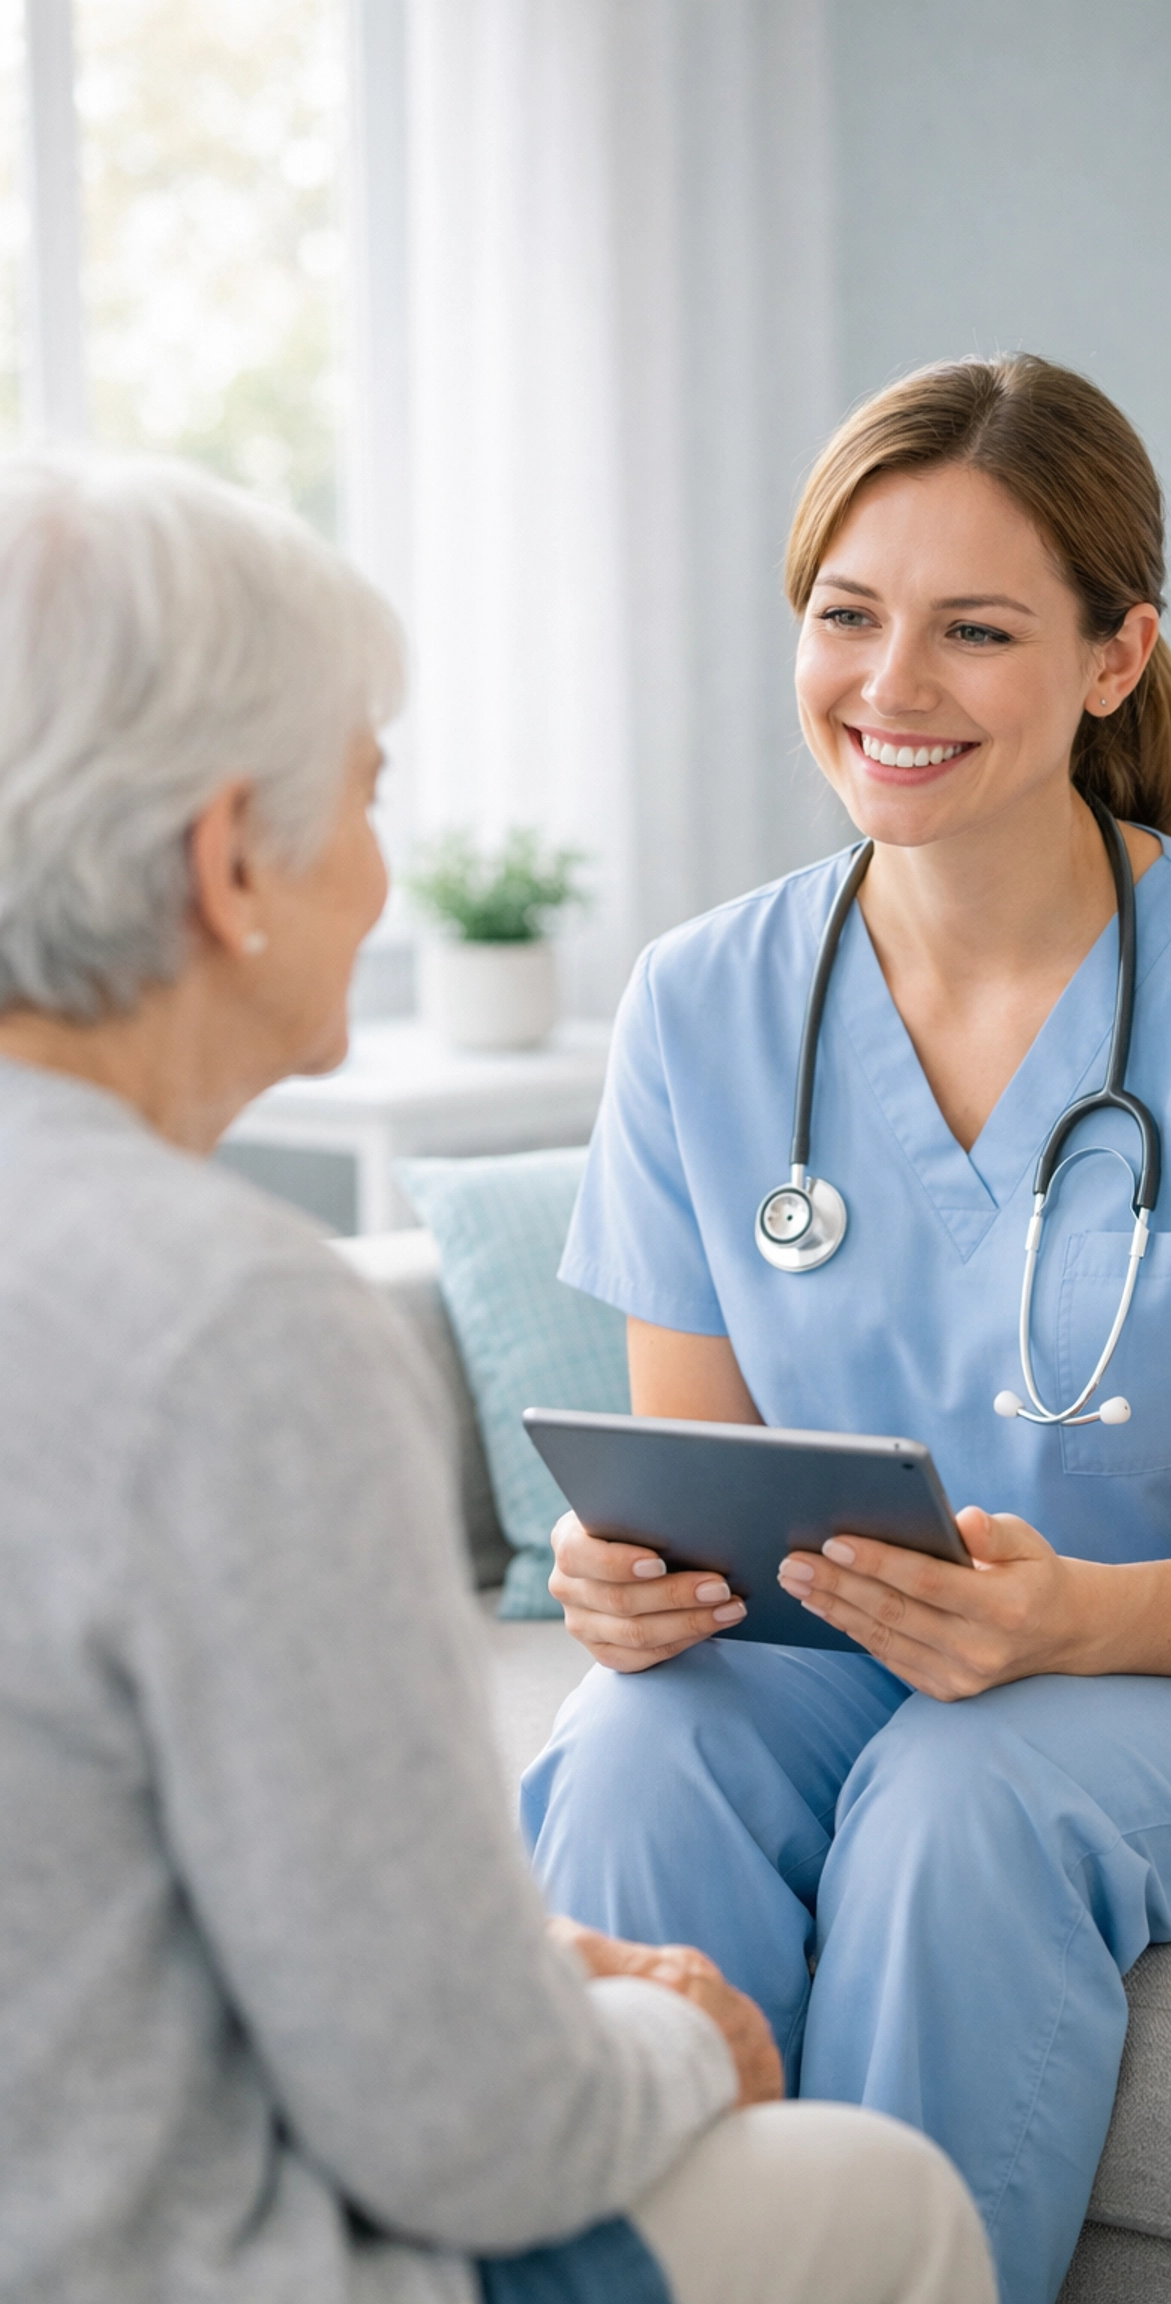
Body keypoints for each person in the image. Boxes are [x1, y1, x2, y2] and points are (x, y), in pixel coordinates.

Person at [520, 353, 1171, 2304]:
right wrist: (623, 1583)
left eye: (976, 630)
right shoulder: (701, 1004)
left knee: (974, 1793)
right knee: (642, 1747)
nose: (889, 687)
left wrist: (1065, 1620)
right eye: (847, 614)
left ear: (1111, 656)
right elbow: (703, 1503)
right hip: (874, 1660)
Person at [0, 452, 996, 2304]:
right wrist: (695, 2029)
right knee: (870, 2192)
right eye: (369, 800)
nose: (386, 875)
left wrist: (538, 1976)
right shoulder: (235, 1328)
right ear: (232, 862)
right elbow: (469, 2128)